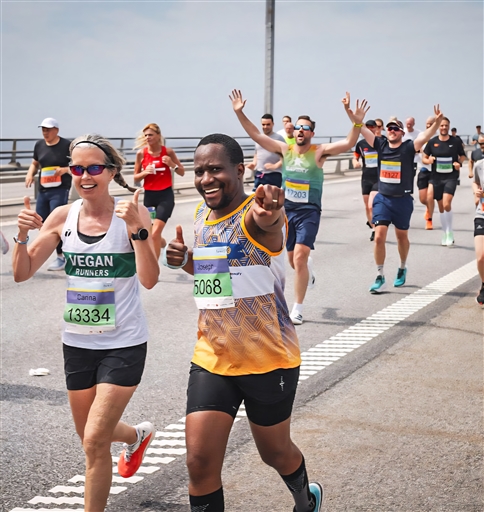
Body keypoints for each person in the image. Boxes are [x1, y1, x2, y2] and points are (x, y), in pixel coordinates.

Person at [164, 133, 323, 512]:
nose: (206, 179)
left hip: (268, 360)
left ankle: (306, 500)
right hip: (213, 356)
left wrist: (272, 212)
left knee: (275, 453)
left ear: (239, 170)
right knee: (199, 463)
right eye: (199, 171)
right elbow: (213, 271)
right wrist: (183, 260)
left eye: (215, 169)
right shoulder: (202, 214)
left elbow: (268, 223)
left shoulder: (256, 214)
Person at [13, 134, 159, 511]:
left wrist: (138, 231)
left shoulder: (130, 214)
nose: (85, 176)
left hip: (124, 342)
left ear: (111, 172)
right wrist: (22, 235)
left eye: (94, 168)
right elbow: (22, 272)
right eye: (77, 169)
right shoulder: (63, 216)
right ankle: (136, 436)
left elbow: (149, 279)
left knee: (94, 441)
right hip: (77, 343)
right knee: (90, 436)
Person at [230, 89, 370, 324]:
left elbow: (348, 143)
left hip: (309, 211)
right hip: (286, 212)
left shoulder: (319, 152)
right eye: (298, 127)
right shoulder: (285, 149)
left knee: (301, 256)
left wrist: (356, 124)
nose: (301, 130)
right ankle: (307, 270)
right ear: (294, 132)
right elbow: (256, 135)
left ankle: (297, 309)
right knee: (293, 260)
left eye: (305, 127)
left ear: (312, 133)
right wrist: (239, 113)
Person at [357, 110, 443, 293]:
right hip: (383, 199)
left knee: (401, 237)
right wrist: (355, 119)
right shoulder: (380, 145)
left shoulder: (408, 147)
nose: (392, 130)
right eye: (389, 128)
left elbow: (426, 135)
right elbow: (362, 129)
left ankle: (402, 267)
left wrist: (437, 122)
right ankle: (380, 276)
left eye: (396, 129)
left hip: (402, 201)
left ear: (402, 133)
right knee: (379, 236)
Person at [25, 118, 72, 270]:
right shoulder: (39, 145)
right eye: (43, 130)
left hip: (60, 189)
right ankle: (51, 251)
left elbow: (76, 165)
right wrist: (30, 174)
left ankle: (62, 256)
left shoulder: (67, 145)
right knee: (41, 222)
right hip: (43, 189)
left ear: (56, 130)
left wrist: (64, 170)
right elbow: (35, 163)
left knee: (56, 221)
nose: (45, 133)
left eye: (48, 130)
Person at [133, 123, 185, 259]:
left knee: (155, 232)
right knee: (151, 232)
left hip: (165, 196)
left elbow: (182, 172)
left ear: (158, 136)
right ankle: (161, 242)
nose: (147, 137)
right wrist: (145, 172)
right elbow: (135, 178)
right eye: (145, 135)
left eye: (150, 135)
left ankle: (154, 266)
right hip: (149, 196)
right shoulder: (141, 154)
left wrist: (172, 165)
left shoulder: (168, 152)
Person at [422, 117, 466, 246]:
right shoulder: (433, 142)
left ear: (449, 126)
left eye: (446, 125)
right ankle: (444, 232)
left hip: (451, 177)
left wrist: (459, 163)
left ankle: (450, 231)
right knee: (441, 207)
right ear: (438, 127)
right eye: (441, 125)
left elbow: (462, 156)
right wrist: (428, 160)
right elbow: (424, 157)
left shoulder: (455, 142)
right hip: (436, 177)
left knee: (447, 204)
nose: (444, 128)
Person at [353, 119, 380, 241]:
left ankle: (375, 229)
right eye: (368, 127)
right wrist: (355, 162)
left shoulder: (381, 142)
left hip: (378, 178)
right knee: (367, 206)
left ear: (376, 128)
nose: (370, 129)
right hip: (366, 178)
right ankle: (373, 225)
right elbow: (355, 156)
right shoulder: (361, 144)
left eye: (372, 127)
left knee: (371, 205)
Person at [245, 114, 285, 189]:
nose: (265, 127)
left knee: (273, 195)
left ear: (273, 124)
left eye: (268, 124)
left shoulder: (279, 138)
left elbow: (286, 156)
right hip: (260, 173)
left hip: (274, 174)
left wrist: (275, 166)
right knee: (257, 195)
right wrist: (254, 163)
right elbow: (257, 153)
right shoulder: (259, 138)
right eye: (263, 124)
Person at [416, 116, 436, 230]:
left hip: (435, 171)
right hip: (423, 169)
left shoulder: (438, 136)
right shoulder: (421, 136)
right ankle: (429, 207)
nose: (428, 126)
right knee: (423, 199)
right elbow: (415, 148)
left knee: (430, 196)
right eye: (427, 124)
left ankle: (429, 220)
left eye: (431, 124)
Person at [471, 156, 484, 305]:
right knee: (481, 257)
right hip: (482, 214)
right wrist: (477, 192)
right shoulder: (480, 164)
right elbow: (475, 181)